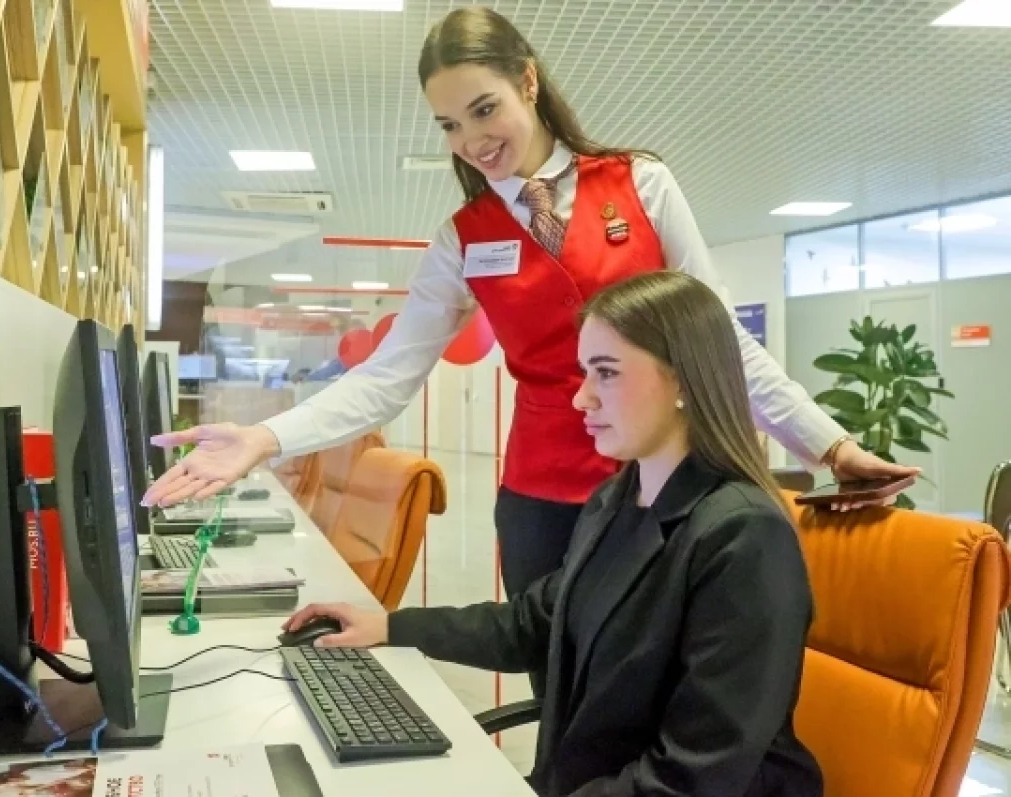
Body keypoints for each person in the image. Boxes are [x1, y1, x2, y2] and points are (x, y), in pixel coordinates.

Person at [143, 7, 914, 609]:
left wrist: (830, 446)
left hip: (669, 485)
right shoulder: (462, 239)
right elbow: (386, 376)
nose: (472, 140)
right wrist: (264, 438)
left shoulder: (639, 184)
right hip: (542, 503)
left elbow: (721, 342)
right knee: (562, 690)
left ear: (530, 83)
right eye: (450, 125)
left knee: (662, 697)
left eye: (485, 109)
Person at [283, 271, 824, 797]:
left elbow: (695, 775)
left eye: (606, 373)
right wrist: (389, 625)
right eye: (585, 372)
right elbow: (534, 623)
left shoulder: (744, 535)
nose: (581, 398)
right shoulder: (616, 500)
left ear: (684, 379)